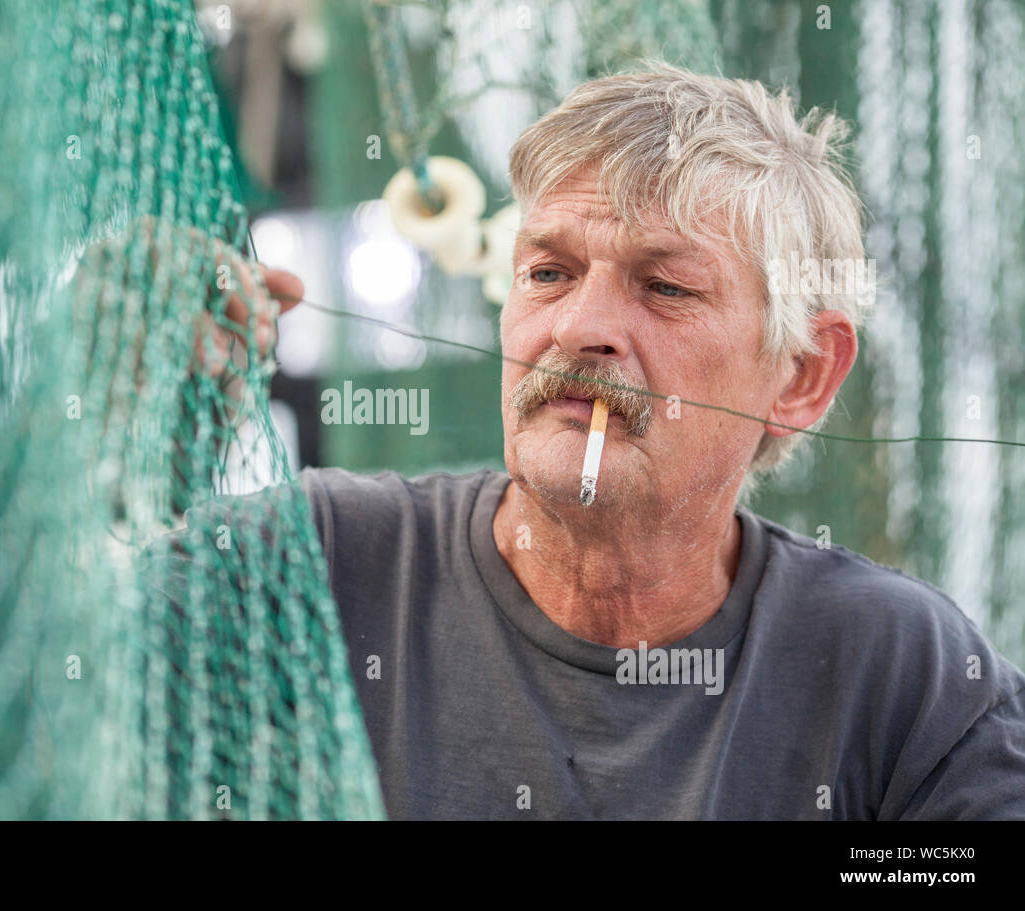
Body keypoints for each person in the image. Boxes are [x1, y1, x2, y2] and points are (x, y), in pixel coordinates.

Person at [191, 62, 1025, 819]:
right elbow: (64, 677)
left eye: (664, 287)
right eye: (548, 272)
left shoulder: (902, 671)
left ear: (802, 375)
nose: (580, 327)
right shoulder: (312, 563)